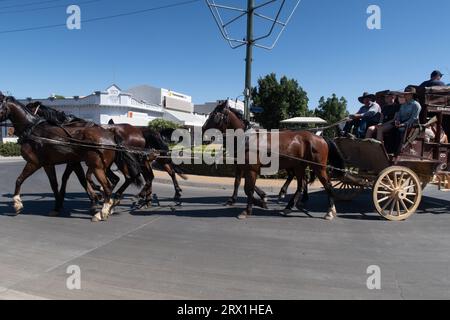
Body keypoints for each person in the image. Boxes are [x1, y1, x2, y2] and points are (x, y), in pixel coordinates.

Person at [392, 87, 422, 155]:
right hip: (401, 123)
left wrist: (403, 124)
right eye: (405, 94)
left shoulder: (416, 105)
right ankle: (391, 150)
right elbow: (399, 114)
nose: (405, 95)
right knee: (392, 129)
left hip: (412, 125)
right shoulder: (403, 105)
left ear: (411, 95)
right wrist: (397, 121)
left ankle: (400, 151)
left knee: (401, 130)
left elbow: (414, 118)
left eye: (407, 94)